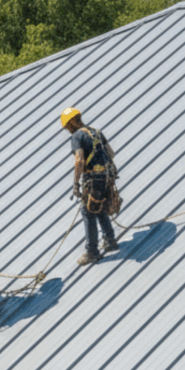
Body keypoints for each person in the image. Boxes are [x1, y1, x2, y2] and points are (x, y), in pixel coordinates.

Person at [61, 107, 119, 265]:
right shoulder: (96, 131)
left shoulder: (77, 136)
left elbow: (79, 160)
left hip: (92, 179)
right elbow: (111, 153)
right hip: (106, 177)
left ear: (72, 122)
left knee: (88, 213)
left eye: (67, 126)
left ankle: (92, 252)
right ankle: (110, 240)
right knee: (98, 206)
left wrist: (75, 183)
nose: (68, 130)